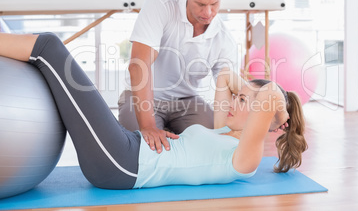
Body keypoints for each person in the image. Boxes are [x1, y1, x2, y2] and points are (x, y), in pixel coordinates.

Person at [0, 32, 307, 189]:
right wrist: (252, 92)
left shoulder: (246, 158)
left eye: (245, 102)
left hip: (123, 164)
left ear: (267, 119)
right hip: (128, 146)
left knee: (50, 48)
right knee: (51, 65)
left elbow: (266, 95)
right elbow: (227, 77)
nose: (236, 101)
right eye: (239, 97)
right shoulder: (223, 129)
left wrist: (277, 106)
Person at [118, 0, 238, 154]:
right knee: (144, 151)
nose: (208, 12)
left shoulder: (224, 39)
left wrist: (268, 117)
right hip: (144, 97)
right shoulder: (161, 5)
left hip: (188, 101)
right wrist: (148, 127)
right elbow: (139, 66)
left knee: (217, 147)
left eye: (214, 4)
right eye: (200, 4)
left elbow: (232, 90)